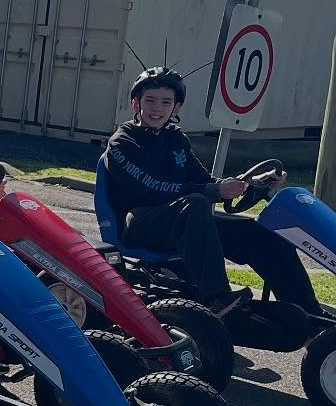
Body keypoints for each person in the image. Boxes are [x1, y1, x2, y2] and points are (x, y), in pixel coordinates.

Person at [103, 66, 318, 318]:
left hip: (184, 221)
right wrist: (213, 191)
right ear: (136, 103)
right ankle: (218, 298)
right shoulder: (122, 142)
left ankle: (311, 317)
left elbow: (204, 180)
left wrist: (249, 184)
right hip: (138, 223)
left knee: (262, 234)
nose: (157, 108)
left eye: (165, 102)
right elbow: (150, 187)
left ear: (176, 108)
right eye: (150, 100)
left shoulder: (175, 139)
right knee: (194, 203)